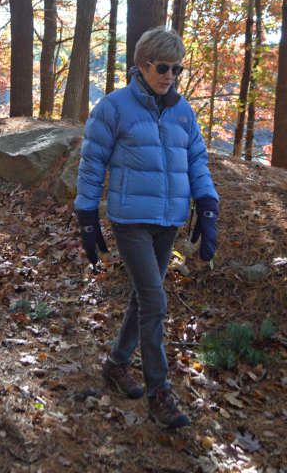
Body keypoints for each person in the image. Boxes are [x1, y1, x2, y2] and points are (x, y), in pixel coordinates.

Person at [75, 26, 219, 429]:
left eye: (177, 68)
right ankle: (159, 392)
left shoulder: (183, 110)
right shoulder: (114, 107)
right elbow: (91, 164)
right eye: (162, 67)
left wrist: (207, 206)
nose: (169, 75)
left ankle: (117, 364)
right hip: (131, 221)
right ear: (142, 66)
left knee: (144, 298)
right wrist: (87, 216)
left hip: (169, 220)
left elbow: (197, 162)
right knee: (154, 302)